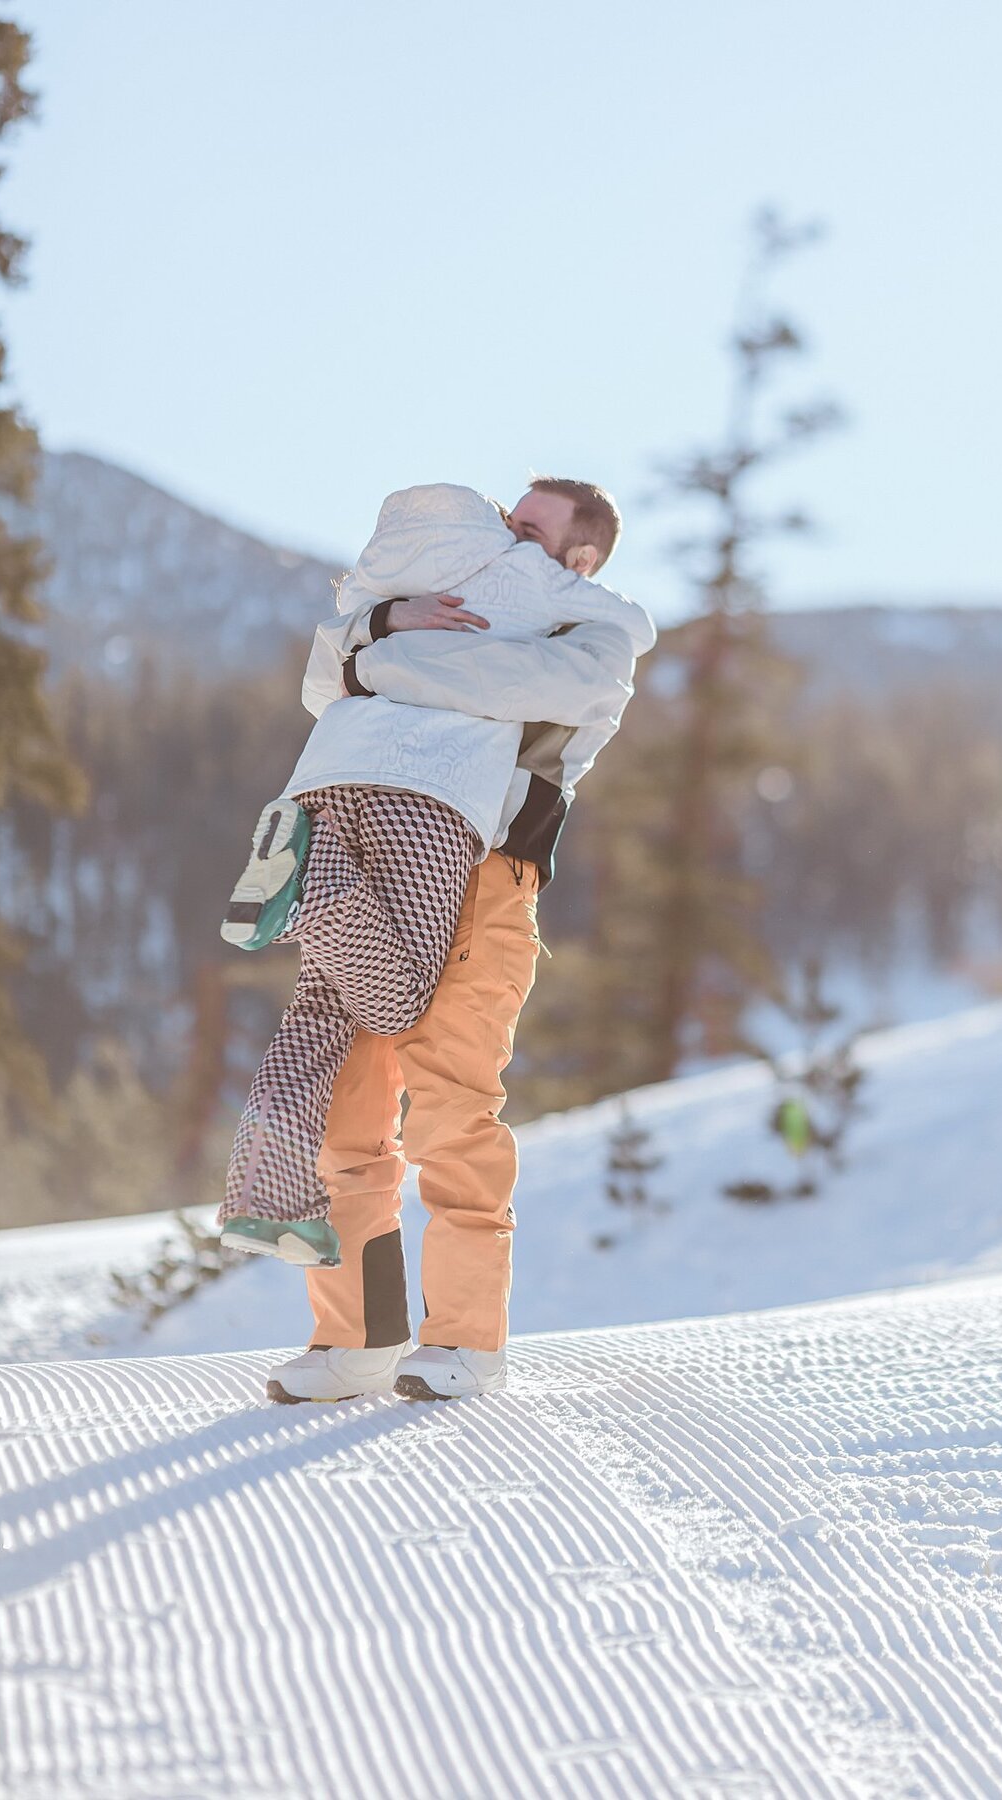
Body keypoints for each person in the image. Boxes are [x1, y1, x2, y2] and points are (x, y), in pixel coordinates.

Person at [264, 480, 654, 1403]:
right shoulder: (447, 609)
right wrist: (389, 618)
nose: (502, 544)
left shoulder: (591, 640)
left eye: (526, 531)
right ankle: (357, 1338)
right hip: (381, 863)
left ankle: (467, 1340)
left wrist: (377, 662)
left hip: (486, 885)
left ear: (579, 560)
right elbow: (323, 682)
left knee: (450, 1109)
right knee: (345, 1111)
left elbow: (493, 686)